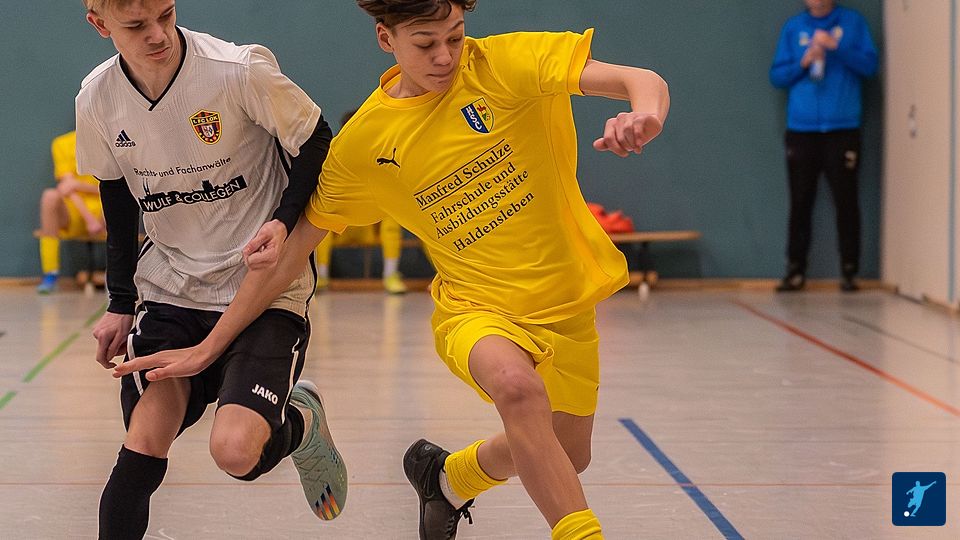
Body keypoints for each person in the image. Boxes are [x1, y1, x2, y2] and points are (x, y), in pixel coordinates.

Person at [114, 1, 669, 538]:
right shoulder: (366, 143)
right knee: (516, 388)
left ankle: (449, 477)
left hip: (567, 304)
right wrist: (210, 347)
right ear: (387, 39)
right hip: (476, 309)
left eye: (455, 37)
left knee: (567, 453)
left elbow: (640, 79)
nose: (445, 56)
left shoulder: (508, 64)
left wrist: (644, 115)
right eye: (425, 44)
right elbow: (291, 254)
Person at [75, 1, 346, 537]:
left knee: (236, 453)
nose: (159, 34)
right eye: (136, 26)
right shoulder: (97, 98)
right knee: (143, 442)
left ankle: (302, 421)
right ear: (100, 24)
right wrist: (120, 303)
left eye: (166, 14)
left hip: (262, 288)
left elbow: (317, 139)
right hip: (172, 289)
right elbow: (117, 200)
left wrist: (283, 221)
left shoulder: (238, 70)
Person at [770, 0, 878, 292]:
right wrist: (804, 62)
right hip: (802, 130)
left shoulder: (852, 23)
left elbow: (869, 66)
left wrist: (836, 48)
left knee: (846, 200)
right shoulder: (794, 28)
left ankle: (850, 270)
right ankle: (795, 270)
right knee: (800, 201)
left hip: (842, 129)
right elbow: (777, 76)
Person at [315, 110, 408, 294]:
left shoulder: (381, 157)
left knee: (392, 216)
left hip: (368, 228)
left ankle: (390, 274)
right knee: (321, 216)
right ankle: (320, 275)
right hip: (340, 229)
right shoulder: (332, 159)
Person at [36, 130, 107, 294]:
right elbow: (67, 187)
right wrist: (90, 220)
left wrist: (79, 186)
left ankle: (119, 277)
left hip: (106, 210)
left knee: (117, 198)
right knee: (50, 196)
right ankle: (50, 273)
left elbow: (115, 186)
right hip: (76, 213)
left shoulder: (110, 141)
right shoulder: (62, 143)